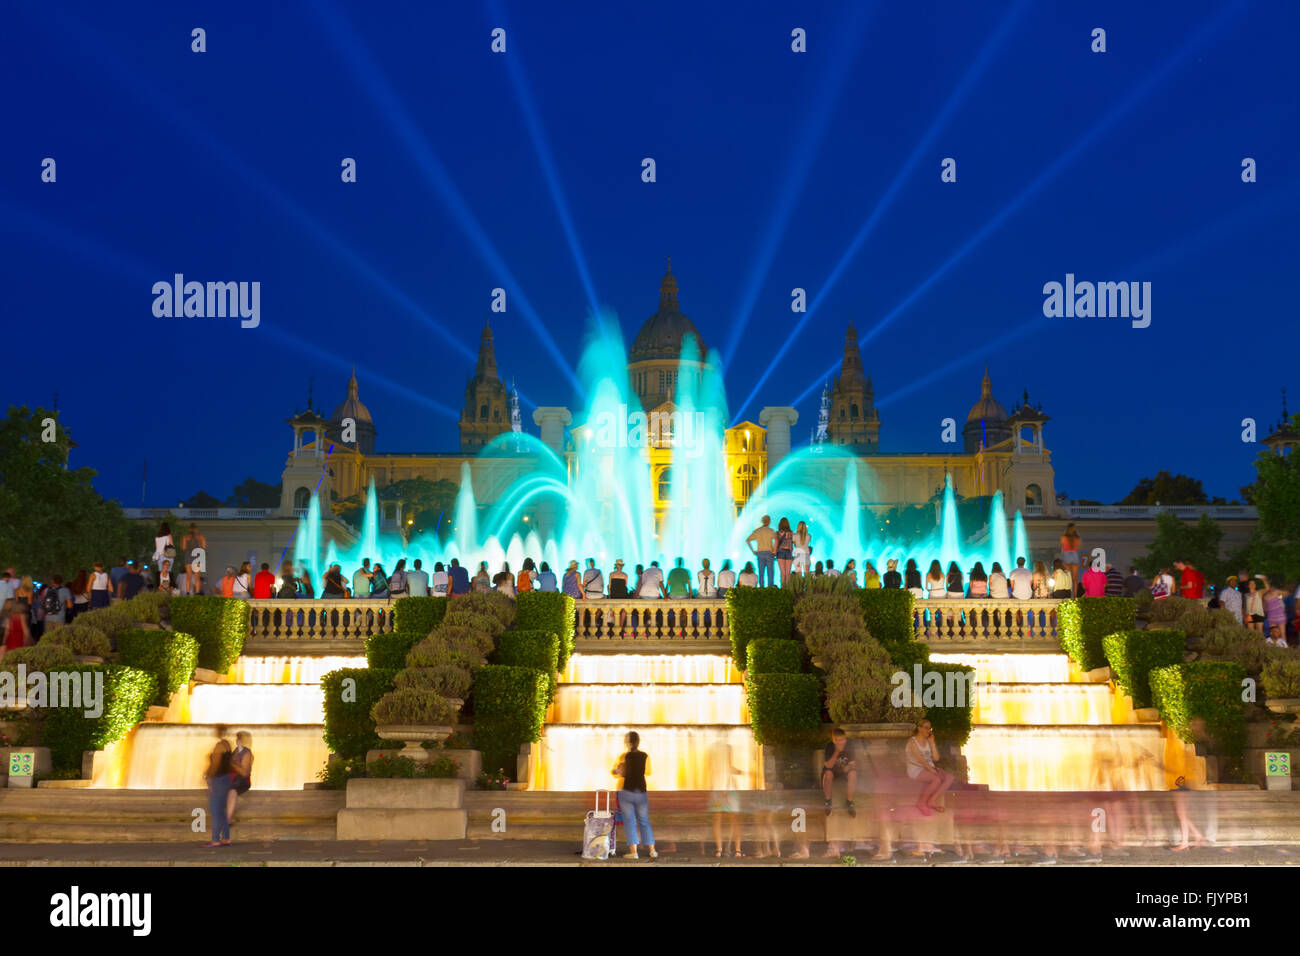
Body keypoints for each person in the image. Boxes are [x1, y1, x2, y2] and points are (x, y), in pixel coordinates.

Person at [612, 731, 657, 859]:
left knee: (630, 822)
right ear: (638, 742)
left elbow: (618, 773)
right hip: (641, 791)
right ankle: (652, 850)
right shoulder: (645, 756)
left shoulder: (624, 756)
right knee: (644, 821)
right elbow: (648, 772)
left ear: (627, 742)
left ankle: (634, 852)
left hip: (626, 791)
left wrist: (616, 771)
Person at [906, 719, 954, 816]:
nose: (929, 730)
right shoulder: (912, 742)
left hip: (929, 767)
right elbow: (920, 760)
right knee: (936, 780)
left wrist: (932, 743)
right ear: (919, 728)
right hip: (916, 769)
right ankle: (921, 803)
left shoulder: (927, 742)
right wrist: (932, 770)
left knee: (950, 777)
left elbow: (936, 758)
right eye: (926, 728)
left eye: (930, 728)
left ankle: (932, 800)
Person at [203, 727, 234, 847]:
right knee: (221, 811)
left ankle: (215, 839)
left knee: (215, 811)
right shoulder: (227, 745)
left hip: (218, 779)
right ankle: (226, 838)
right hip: (226, 779)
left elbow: (215, 764)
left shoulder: (219, 745)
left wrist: (208, 777)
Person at [821, 728, 857, 817]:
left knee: (853, 774)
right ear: (834, 740)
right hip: (832, 771)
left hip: (844, 771)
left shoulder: (849, 746)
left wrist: (847, 768)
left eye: (843, 739)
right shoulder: (829, 747)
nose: (841, 742)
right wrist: (837, 752)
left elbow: (852, 764)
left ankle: (849, 802)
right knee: (828, 774)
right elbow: (828, 765)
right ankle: (828, 801)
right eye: (838, 740)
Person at [227, 731, 254, 826]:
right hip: (231, 779)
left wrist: (231, 764)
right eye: (237, 738)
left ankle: (228, 819)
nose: (236, 740)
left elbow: (244, 772)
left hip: (241, 780)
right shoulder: (236, 751)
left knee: (232, 791)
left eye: (239, 738)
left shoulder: (247, 753)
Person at [3, 577, 34, 656]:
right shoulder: (30, 591)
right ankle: (25, 647)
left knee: (15, 628)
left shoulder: (17, 590)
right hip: (26, 612)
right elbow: (30, 603)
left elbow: (16, 602)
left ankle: (14, 649)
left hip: (17, 612)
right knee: (26, 629)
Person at [746, 516, 778, 588]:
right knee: (770, 572)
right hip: (769, 553)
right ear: (769, 521)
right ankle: (770, 588)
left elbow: (748, 540)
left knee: (761, 572)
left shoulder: (757, 531)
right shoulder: (770, 530)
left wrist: (753, 551)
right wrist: (775, 551)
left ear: (762, 521)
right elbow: (776, 540)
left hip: (760, 553)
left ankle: (761, 588)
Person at [181, 523, 206, 595]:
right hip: (197, 556)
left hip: (188, 556)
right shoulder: (200, 536)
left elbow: (183, 548)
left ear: (189, 529)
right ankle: (197, 592)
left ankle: (188, 592)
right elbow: (203, 547)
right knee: (197, 577)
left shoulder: (185, 537)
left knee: (188, 576)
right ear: (196, 529)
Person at [1060, 523, 1083, 597]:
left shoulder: (1064, 537)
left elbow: (1062, 549)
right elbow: (1079, 547)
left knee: (1068, 576)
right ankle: (1075, 595)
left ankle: (1069, 594)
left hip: (1067, 555)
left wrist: (1062, 558)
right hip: (1074, 555)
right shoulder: (1077, 538)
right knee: (1075, 578)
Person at [774, 517, 795, 586]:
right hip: (789, 552)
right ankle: (788, 589)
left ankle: (783, 589)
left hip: (780, 552)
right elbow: (793, 543)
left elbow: (776, 543)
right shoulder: (791, 533)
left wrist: (774, 552)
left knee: (782, 573)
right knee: (788, 573)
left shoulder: (777, 533)